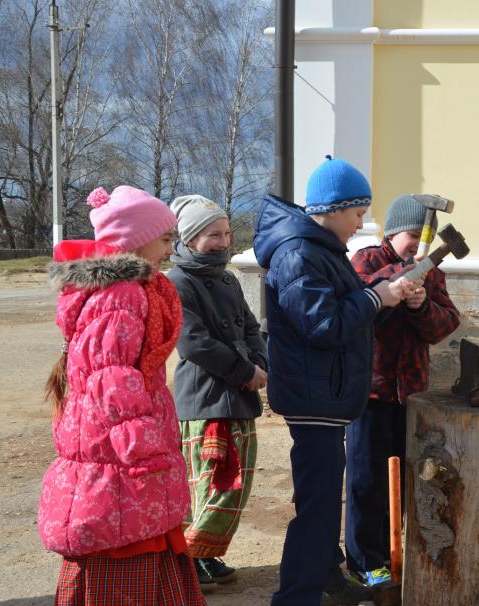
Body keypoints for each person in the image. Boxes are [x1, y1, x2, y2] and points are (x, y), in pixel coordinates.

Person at [253, 156, 422, 606]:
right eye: (357, 212)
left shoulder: (318, 249)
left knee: (324, 503)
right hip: (315, 399)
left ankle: (326, 580)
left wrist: (383, 295)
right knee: (317, 508)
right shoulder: (298, 253)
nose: (362, 222)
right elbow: (322, 325)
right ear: (332, 208)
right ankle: (296, 597)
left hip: (324, 397)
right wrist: (374, 296)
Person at [39, 185, 203, 605]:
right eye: (166, 239)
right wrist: (140, 439)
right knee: (123, 537)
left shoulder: (129, 288)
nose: (171, 249)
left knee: (128, 529)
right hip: (119, 450)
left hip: (115, 444)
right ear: (135, 239)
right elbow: (109, 373)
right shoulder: (122, 294)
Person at [344, 194, 461, 586]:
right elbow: (354, 310)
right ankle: (366, 564)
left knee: (408, 482)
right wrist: (397, 279)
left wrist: (421, 303)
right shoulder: (365, 261)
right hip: (370, 393)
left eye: (418, 237)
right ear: (393, 232)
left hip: (411, 395)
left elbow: (444, 326)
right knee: (367, 481)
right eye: (411, 235)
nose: (414, 244)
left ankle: (399, 555)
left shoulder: (433, 274)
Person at [168, 195, 267, 590]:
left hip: (239, 399)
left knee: (234, 485)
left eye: (226, 233)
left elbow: (250, 327)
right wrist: (245, 371)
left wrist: (262, 364)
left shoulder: (227, 279)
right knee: (213, 484)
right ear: (190, 239)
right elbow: (193, 344)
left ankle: (204, 553)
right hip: (206, 401)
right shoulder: (177, 283)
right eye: (213, 235)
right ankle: (189, 558)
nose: (223, 241)